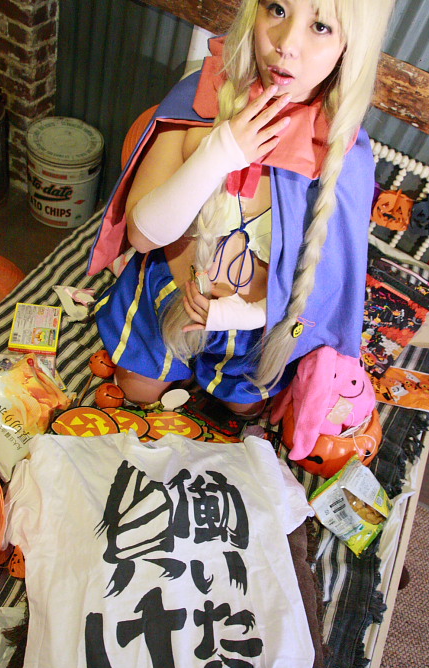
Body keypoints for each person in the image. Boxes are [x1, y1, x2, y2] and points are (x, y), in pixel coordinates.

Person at [88, 0, 395, 417]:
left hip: (254, 331)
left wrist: (247, 315)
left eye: (320, 27)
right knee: (139, 392)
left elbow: (326, 290)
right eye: (278, 10)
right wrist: (220, 152)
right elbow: (141, 237)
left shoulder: (346, 156)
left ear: (350, 46)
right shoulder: (202, 95)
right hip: (167, 302)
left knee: (243, 410)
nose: (286, 44)